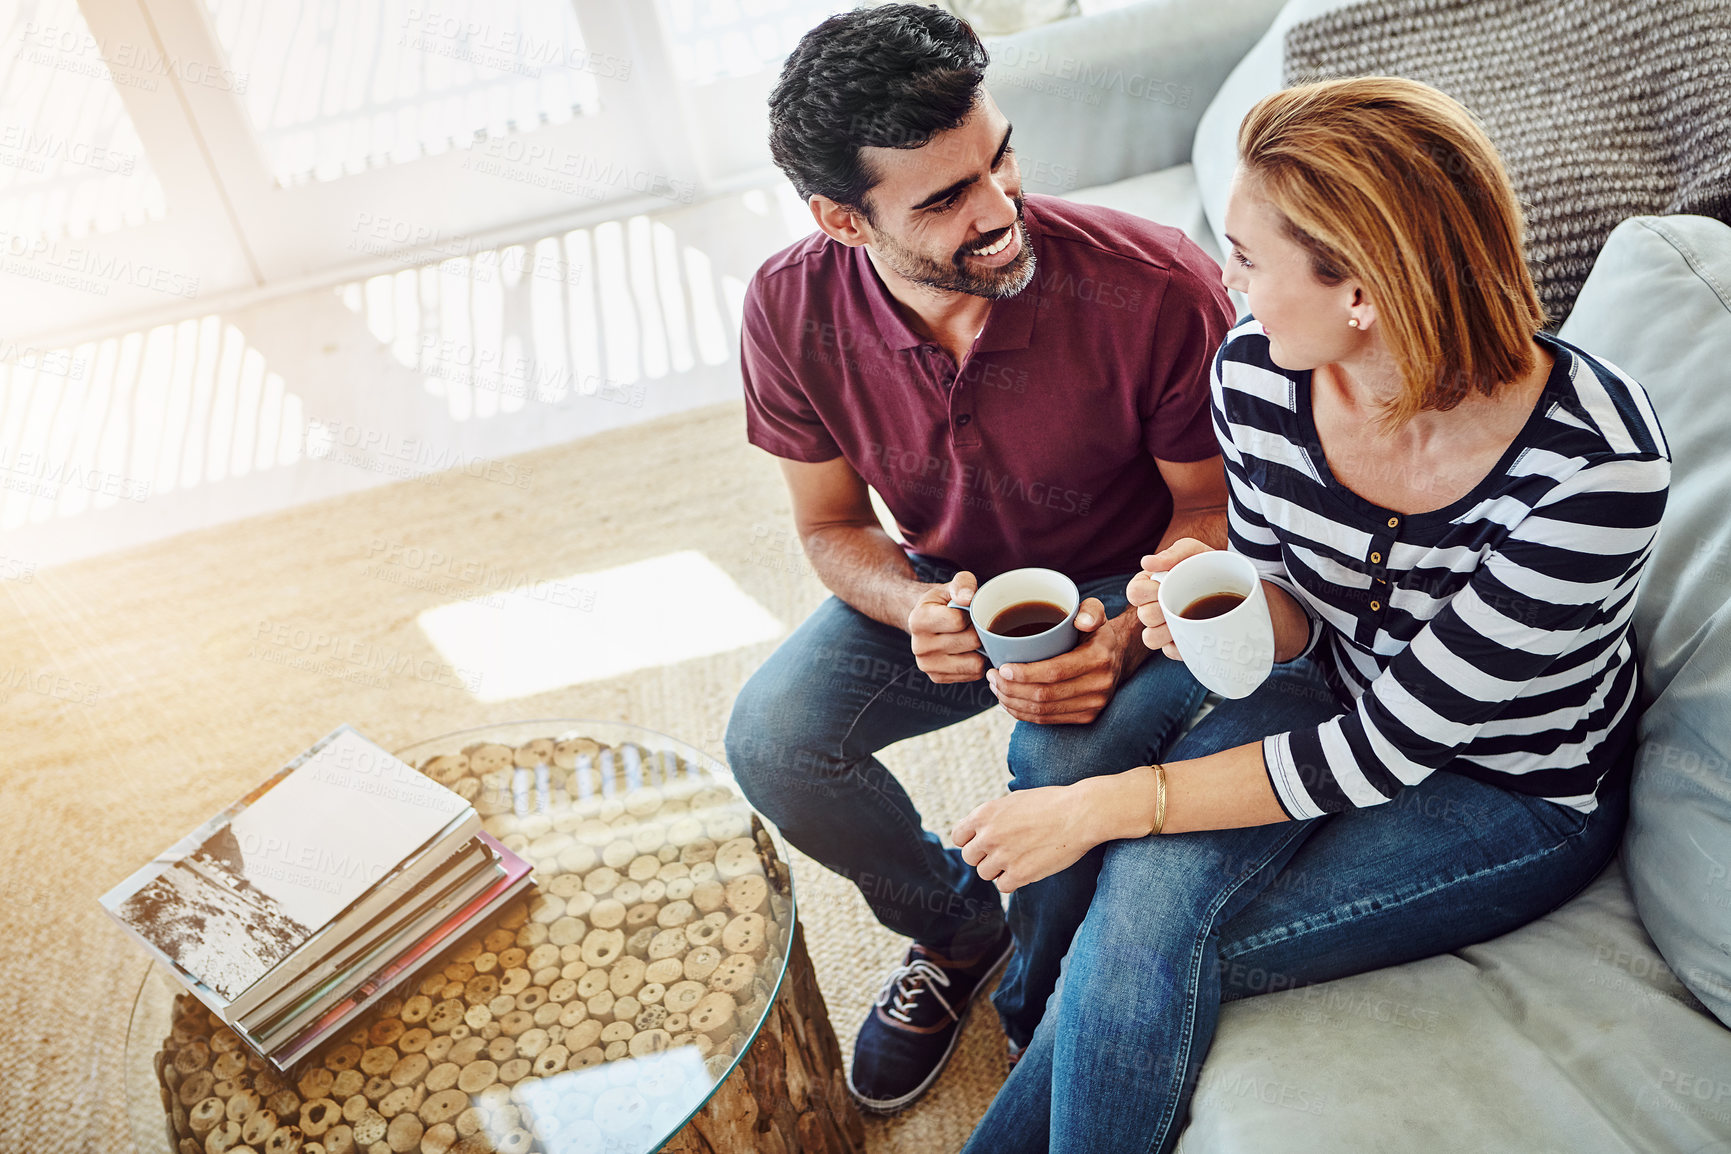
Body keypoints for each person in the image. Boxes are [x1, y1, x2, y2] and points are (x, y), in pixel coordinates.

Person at [952, 76, 1670, 1153]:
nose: (1225, 285)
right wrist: (1229, 605)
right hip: (1330, 684)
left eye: (1245, 258)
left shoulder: (1594, 472)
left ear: (1363, 294)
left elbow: (1385, 752)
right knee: (1140, 895)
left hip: (1510, 788)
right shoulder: (1259, 372)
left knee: (1141, 938)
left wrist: (1114, 802)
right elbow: (1295, 610)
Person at [722, 3, 1236, 1112]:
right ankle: (957, 934)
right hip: (941, 585)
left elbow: (1215, 511)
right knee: (774, 739)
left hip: (1128, 578)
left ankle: (1041, 999)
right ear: (842, 220)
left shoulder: (1156, 287)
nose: (1002, 212)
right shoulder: (785, 306)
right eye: (948, 198)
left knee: (1051, 768)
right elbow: (826, 525)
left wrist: (1137, 633)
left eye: (1000, 158)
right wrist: (908, 604)